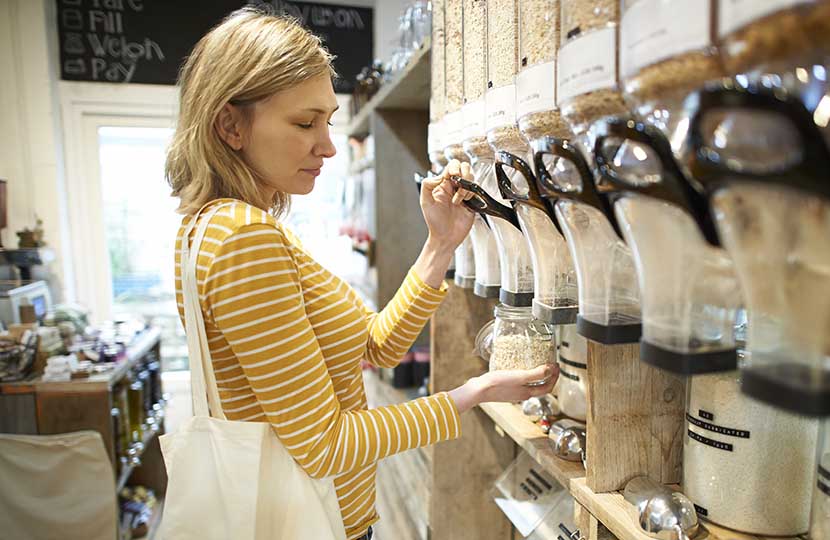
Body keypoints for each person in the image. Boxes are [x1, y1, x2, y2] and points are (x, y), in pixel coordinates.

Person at [166, 8, 559, 540]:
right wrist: (474, 392)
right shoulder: (244, 238)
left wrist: (440, 244)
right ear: (230, 124)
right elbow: (327, 446)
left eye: (327, 121)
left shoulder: (207, 228)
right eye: (305, 123)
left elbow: (376, 347)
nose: (327, 145)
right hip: (319, 522)